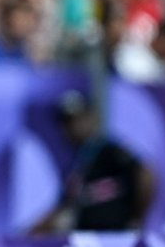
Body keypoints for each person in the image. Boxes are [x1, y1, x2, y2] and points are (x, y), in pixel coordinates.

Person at [31, 90, 155, 234]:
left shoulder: (109, 151)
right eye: (67, 122)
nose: (73, 127)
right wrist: (31, 233)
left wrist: (137, 219)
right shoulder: (74, 164)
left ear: (92, 118)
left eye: (79, 119)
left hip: (115, 236)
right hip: (86, 238)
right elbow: (63, 206)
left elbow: (146, 176)